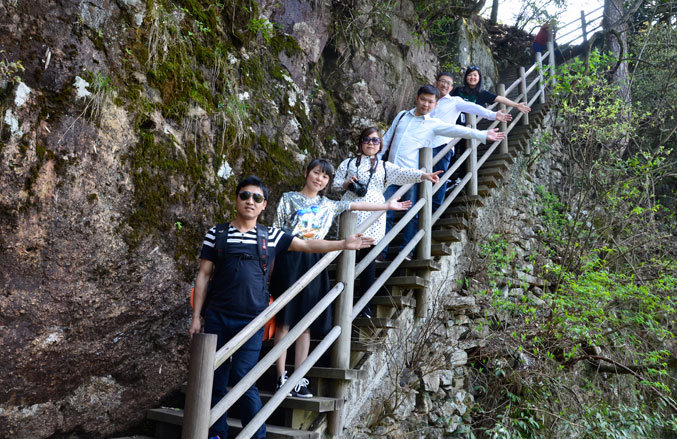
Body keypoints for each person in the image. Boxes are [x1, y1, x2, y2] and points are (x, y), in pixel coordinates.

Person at [189, 175, 375, 439]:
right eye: (245, 195)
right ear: (236, 199)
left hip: (253, 320)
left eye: (257, 198)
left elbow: (307, 244)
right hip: (217, 316)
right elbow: (204, 276)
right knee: (215, 378)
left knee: (244, 376)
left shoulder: (272, 236)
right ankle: (216, 433)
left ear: (264, 205)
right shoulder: (216, 234)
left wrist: (343, 244)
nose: (250, 201)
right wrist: (196, 317)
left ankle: (256, 435)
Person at [271, 159, 411, 398]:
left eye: (325, 176)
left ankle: (298, 378)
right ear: (306, 173)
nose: (319, 179)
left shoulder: (328, 204)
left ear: (328, 181)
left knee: (306, 323)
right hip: (290, 259)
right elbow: (276, 230)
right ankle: (280, 376)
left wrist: (386, 206)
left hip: (316, 261)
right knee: (285, 321)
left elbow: (356, 204)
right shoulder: (288, 198)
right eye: (316, 173)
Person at [378, 84, 507, 259]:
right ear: (416, 98)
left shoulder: (434, 124)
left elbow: (458, 130)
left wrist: (482, 134)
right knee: (385, 212)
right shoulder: (402, 116)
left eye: (430, 102)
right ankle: (381, 253)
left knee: (412, 213)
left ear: (436, 104)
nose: (425, 104)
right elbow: (386, 140)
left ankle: (406, 251)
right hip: (391, 174)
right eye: (423, 99)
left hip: (411, 175)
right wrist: (376, 162)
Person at [333, 127, 442, 317]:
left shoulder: (384, 166)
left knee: (368, 259)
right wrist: (346, 184)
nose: (370, 143)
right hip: (351, 211)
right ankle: (340, 303)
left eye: (375, 140)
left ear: (380, 145)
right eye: (367, 139)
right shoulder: (348, 163)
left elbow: (404, 173)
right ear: (360, 142)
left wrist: (424, 175)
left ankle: (364, 306)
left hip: (375, 214)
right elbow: (335, 186)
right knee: (347, 256)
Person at [430, 72, 513, 211]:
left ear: (451, 87)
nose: (445, 85)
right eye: (442, 81)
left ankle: (432, 213)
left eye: (448, 83)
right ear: (436, 83)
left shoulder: (455, 101)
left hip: (442, 145)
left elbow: (474, 107)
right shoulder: (429, 101)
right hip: (424, 145)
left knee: (439, 180)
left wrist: (493, 115)